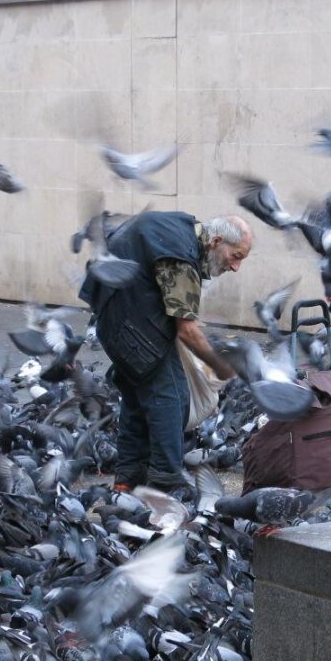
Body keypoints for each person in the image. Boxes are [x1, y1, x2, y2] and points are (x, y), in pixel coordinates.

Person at [80, 211, 253, 494]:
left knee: (138, 396)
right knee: (170, 396)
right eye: (236, 256)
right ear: (217, 241)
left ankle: (128, 477)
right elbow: (186, 330)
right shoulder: (180, 255)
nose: (236, 267)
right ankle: (165, 479)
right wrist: (220, 366)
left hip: (114, 319)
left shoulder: (181, 229)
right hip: (130, 325)